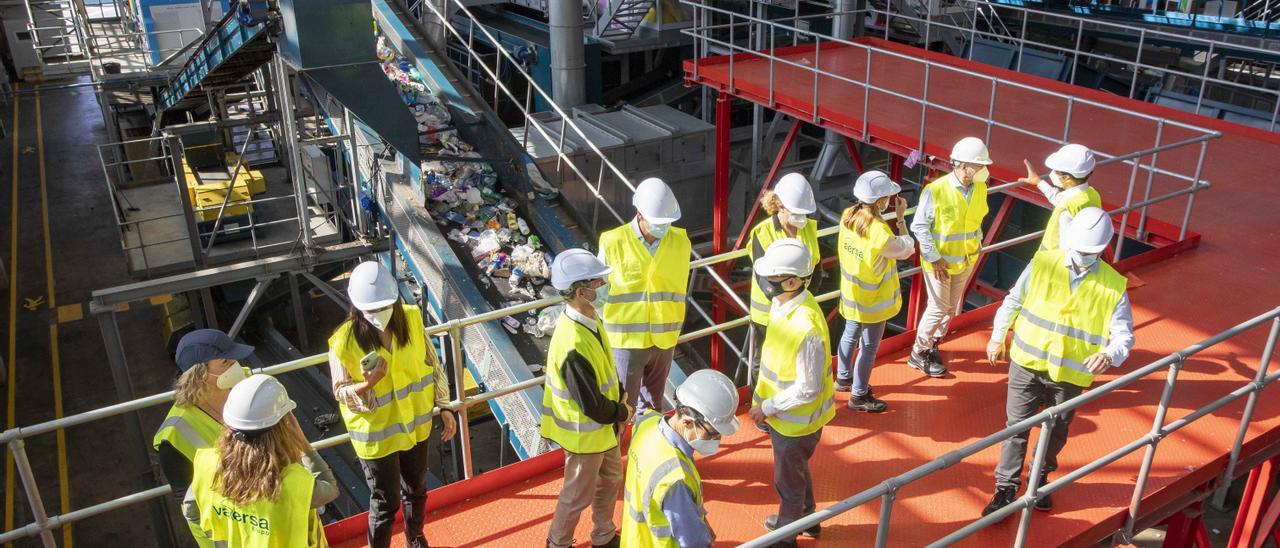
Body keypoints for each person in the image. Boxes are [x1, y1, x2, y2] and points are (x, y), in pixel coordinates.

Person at [982, 208, 1134, 516]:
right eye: (1080, 249)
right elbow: (1013, 300)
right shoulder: (1043, 263)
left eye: (1089, 251)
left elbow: (1124, 336)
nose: (1083, 255)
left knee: (1056, 431)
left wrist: (1109, 354)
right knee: (1016, 427)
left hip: (1068, 374)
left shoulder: (1113, 286)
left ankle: (1038, 481)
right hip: (1027, 361)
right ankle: (1005, 488)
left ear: (1101, 249)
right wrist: (998, 336)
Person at [327, 261, 456, 548]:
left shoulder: (411, 319)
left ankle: (416, 538)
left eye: (382, 306)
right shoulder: (342, 342)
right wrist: (367, 384)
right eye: (370, 310)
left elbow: (433, 365)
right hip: (377, 436)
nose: (377, 315)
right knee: (385, 503)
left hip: (414, 426)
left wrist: (445, 406)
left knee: (417, 489)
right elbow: (340, 392)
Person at [747, 239, 835, 546]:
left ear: (792, 281)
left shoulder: (806, 326)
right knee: (796, 471)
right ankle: (806, 518)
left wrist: (767, 406)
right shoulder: (784, 302)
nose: (765, 284)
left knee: (788, 481)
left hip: (795, 421)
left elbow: (808, 388)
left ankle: (786, 535)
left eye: (771, 279)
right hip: (786, 417)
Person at [543, 249, 633, 548]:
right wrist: (622, 412)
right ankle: (558, 543)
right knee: (577, 495)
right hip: (585, 435)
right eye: (599, 284)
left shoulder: (591, 320)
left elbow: (605, 366)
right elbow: (590, 404)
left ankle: (604, 534)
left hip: (602, 430)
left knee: (610, 479)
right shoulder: (571, 342)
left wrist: (620, 398)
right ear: (582, 292)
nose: (605, 288)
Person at [184, 374, 337, 547]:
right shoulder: (292, 482)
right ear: (283, 425)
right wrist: (303, 444)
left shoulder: (208, 465)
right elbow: (330, 489)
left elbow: (191, 511)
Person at [598, 177, 691, 417]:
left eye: (668, 222)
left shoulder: (681, 241)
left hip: (664, 338)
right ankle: (616, 454)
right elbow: (599, 294)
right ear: (640, 213)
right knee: (621, 409)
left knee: (652, 408)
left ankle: (646, 451)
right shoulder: (613, 242)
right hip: (626, 343)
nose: (664, 227)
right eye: (659, 222)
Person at [156, 329, 255, 547]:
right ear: (200, 375)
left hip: (265, 510)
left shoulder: (248, 385)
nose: (237, 366)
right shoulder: (174, 435)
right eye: (227, 362)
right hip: (226, 531)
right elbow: (190, 503)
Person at [622, 369, 740, 547]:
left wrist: (701, 524)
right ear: (687, 422)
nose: (716, 440)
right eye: (713, 433)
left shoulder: (646, 423)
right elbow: (692, 541)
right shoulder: (676, 478)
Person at [908, 136, 993, 378]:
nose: (983, 170)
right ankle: (919, 352)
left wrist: (977, 243)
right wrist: (934, 258)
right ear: (964, 166)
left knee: (949, 308)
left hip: (964, 259)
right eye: (979, 166)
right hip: (939, 263)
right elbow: (920, 226)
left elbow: (977, 221)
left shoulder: (980, 189)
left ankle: (933, 342)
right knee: (938, 307)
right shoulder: (936, 190)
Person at [835, 171, 915, 412]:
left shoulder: (848, 216)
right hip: (873, 299)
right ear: (881, 201)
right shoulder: (880, 231)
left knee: (850, 333)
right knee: (868, 347)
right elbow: (906, 248)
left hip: (851, 292)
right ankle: (859, 396)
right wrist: (900, 219)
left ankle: (843, 378)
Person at [746, 173, 820, 389]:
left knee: (790, 360)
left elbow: (816, 269)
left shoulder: (808, 229)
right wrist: (787, 305)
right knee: (762, 362)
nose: (801, 217)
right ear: (779, 205)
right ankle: (757, 403)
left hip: (799, 312)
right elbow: (764, 279)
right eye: (796, 212)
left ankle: (780, 403)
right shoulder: (762, 233)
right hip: (767, 314)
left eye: (804, 212)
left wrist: (802, 303)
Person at [1017, 143, 1102, 251]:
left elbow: (1066, 248)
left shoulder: (1066, 210)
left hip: (1050, 260)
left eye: (1055, 171)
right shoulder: (1091, 194)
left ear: (1066, 178)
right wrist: (1039, 182)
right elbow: (1060, 200)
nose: (1052, 173)